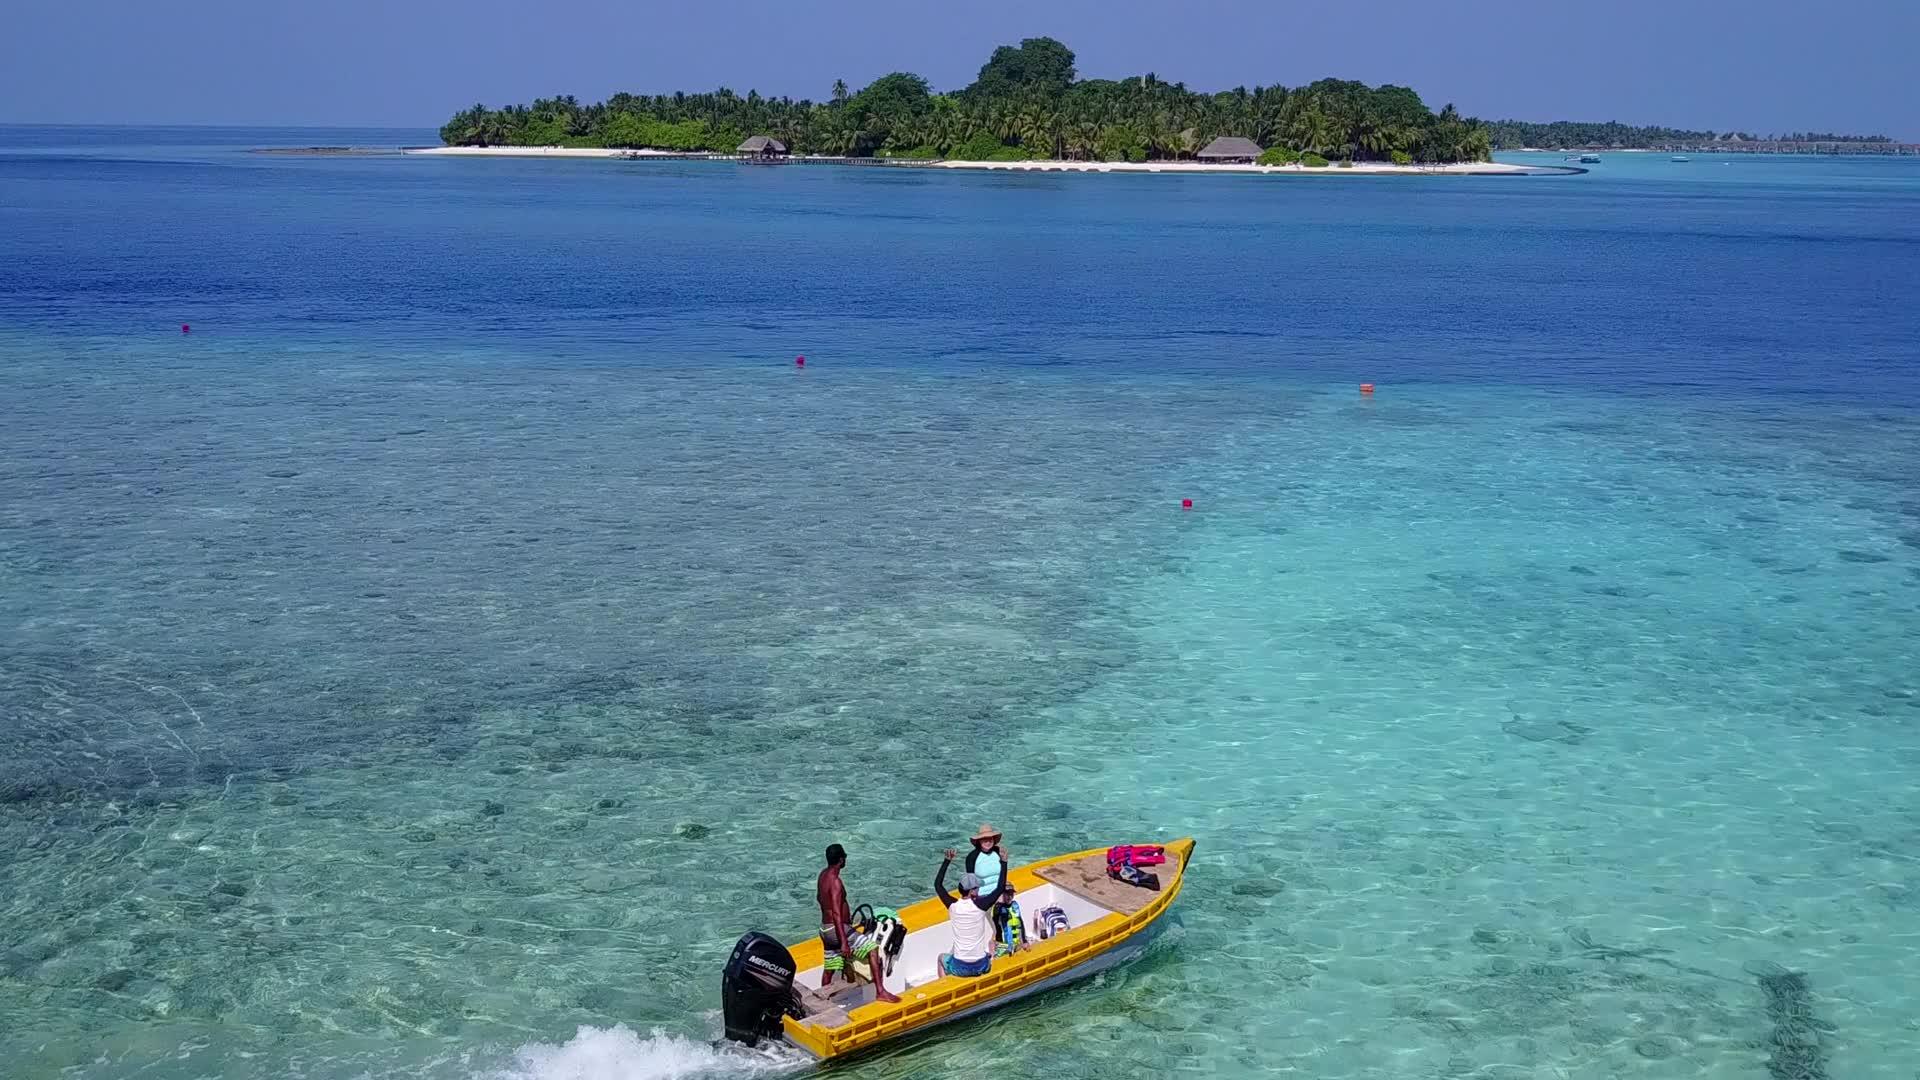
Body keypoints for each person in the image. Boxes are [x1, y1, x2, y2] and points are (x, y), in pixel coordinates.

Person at [816, 843, 900, 1002]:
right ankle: (880, 991)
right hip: (836, 930)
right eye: (844, 857)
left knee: (830, 967)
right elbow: (836, 913)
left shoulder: (822, 876)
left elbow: (820, 899)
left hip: (824, 929)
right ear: (841, 860)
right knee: (872, 949)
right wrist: (844, 942)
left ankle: (822, 1001)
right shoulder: (835, 882)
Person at [933, 847, 999, 977]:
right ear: (972, 891)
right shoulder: (981, 906)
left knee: (941, 958)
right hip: (981, 966)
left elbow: (938, 885)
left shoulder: (953, 906)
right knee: (987, 954)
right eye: (977, 887)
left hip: (960, 967)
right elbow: (999, 888)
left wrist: (947, 861)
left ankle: (944, 986)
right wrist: (1004, 862)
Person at [962, 824, 1019, 948]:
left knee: (1011, 917)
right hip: (984, 897)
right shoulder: (972, 857)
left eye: (990, 839)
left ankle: (1009, 942)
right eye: (984, 839)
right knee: (995, 923)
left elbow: (1003, 872)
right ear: (979, 841)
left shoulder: (999, 852)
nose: (988, 841)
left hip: (1000, 893)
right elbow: (970, 881)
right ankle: (995, 944)